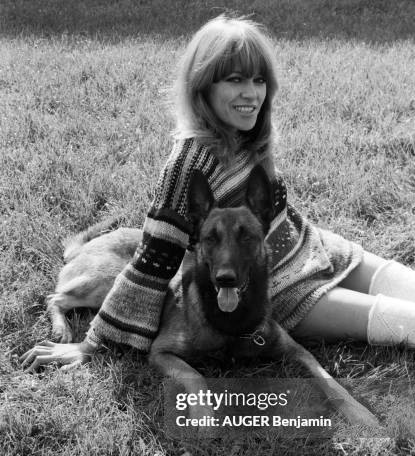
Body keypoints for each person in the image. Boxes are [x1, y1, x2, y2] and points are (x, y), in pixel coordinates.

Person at [21, 14, 415, 372]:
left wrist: (319, 250)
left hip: (319, 248)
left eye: (258, 80)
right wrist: (94, 345)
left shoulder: (250, 135)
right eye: (235, 79)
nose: (252, 93)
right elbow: (153, 260)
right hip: (284, 289)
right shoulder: (189, 164)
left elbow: (276, 216)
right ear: (203, 86)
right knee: (407, 323)